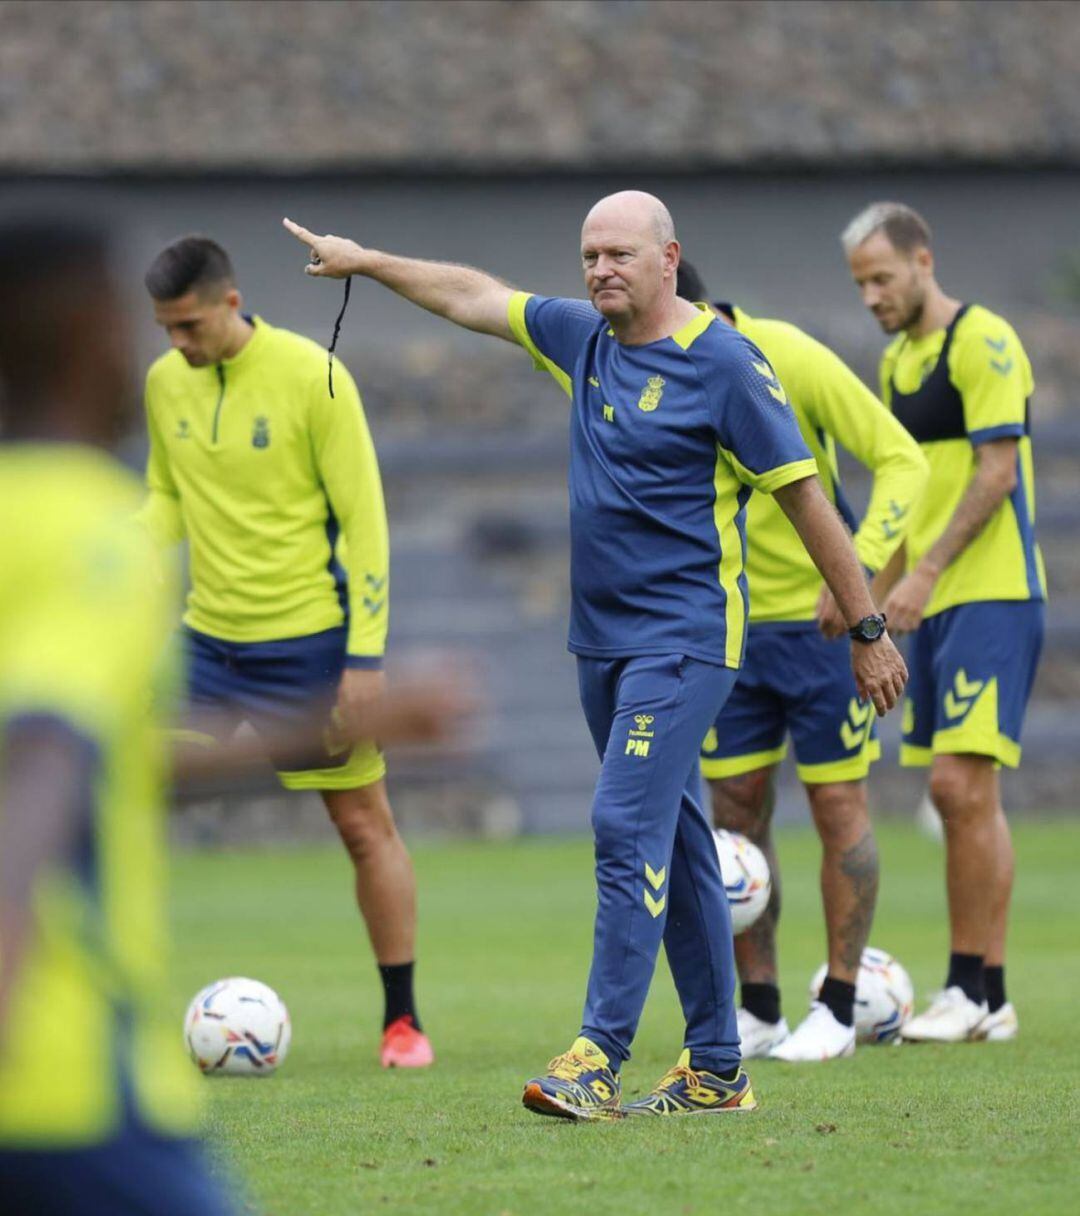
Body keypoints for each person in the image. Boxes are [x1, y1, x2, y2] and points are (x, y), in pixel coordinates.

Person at [283, 191, 908, 1119]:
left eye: (619, 254)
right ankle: (716, 1067)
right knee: (680, 844)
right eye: (589, 256)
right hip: (599, 645)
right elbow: (473, 297)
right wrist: (368, 261)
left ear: (669, 258)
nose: (600, 270)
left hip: (685, 642)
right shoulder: (582, 338)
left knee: (622, 824)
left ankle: (598, 1056)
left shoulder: (728, 364)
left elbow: (806, 499)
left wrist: (868, 631)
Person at [139, 236, 432, 1069]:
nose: (178, 344)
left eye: (190, 326)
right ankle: (112, 1015)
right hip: (205, 643)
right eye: (165, 329)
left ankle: (403, 1023)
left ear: (230, 304)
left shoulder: (314, 376)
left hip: (307, 645)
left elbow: (365, 525)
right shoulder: (165, 382)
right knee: (121, 808)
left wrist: (365, 661)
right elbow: (167, 498)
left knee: (362, 825)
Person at [676, 261, 928, 1061]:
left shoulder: (787, 354)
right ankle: (759, 1007)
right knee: (735, 817)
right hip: (729, 631)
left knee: (838, 806)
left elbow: (903, 458)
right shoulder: (659, 371)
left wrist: (861, 568)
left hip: (821, 637)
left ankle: (840, 1007)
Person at [843, 201, 1046, 1043]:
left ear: (923, 261)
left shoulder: (984, 340)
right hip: (928, 602)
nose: (872, 297)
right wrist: (866, 599)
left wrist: (924, 576)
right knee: (968, 796)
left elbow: (998, 474)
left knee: (956, 788)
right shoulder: (898, 361)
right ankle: (989, 998)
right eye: (861, 285)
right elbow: (910, 493)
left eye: (882, 278)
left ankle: (966, 988)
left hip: (991, 593)